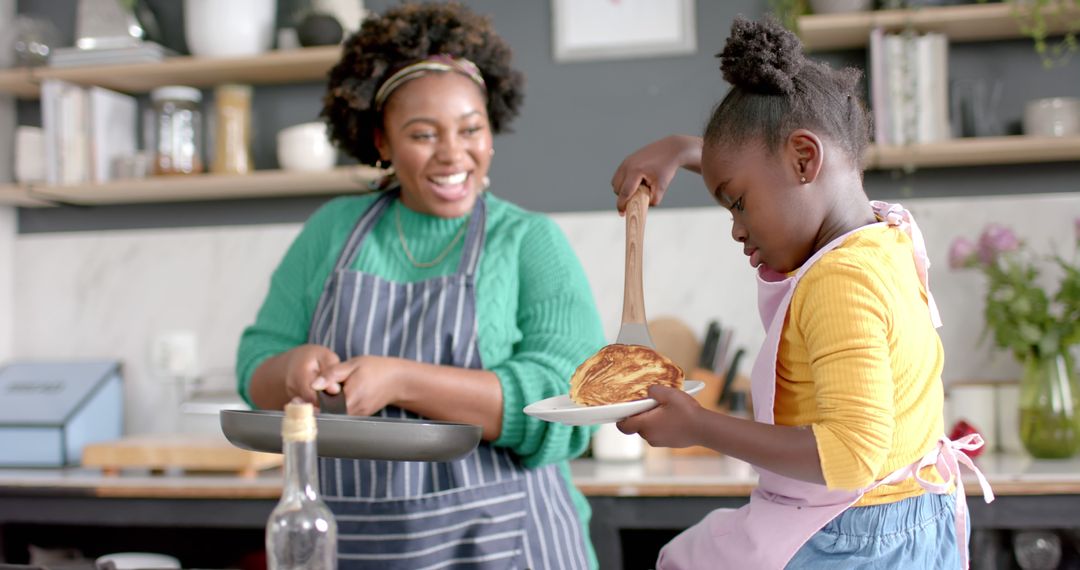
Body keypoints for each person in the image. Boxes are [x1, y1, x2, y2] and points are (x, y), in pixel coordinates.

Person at [610, 16, 994, 569]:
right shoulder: (888, 233)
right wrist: (686, 150)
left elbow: (850, 454)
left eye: (737, 203)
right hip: (912, 518)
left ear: (805, 159)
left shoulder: (839, 281)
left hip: (853, 537)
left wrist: (699, 425)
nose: (736, 229)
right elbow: (773, 163)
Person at [236, 4, 604, 568]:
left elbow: (572, 399)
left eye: (470, 129)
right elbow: (255, 367)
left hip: (510, 545)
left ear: (491, 130)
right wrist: (291, 371)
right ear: (382, 141)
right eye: (423, 134)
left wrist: (401, 380)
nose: (453, 153)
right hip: (357, 546)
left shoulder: (529, 241)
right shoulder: (331, 231)